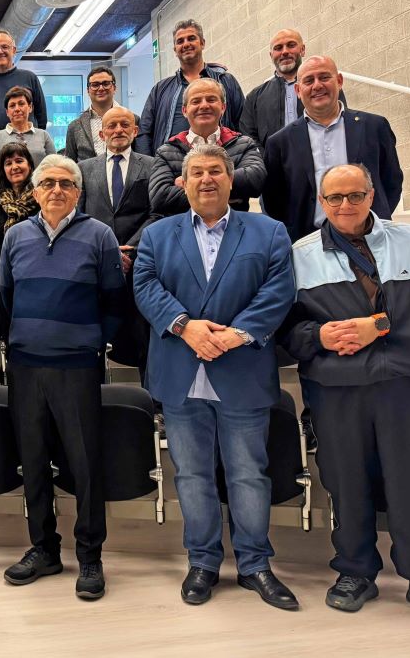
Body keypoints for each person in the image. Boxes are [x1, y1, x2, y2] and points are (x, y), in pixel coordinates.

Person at [280, 163, 410, 629]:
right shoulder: (297, 256)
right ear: (321, 203)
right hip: (336, 391)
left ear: (372, 196)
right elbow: (283, 330)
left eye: (355, 195)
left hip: (406, 387)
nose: (345, 205)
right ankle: (355, 572)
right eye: (334, 198)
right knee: (345, 485)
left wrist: (381, 327)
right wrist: (318, 336)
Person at [133, 142, 297, 611]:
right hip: (180, 372)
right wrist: (185, 326)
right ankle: (202, 562)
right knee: (192, 475)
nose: (207, 179)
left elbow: (279, 289)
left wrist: (236, 335)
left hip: (241, 367)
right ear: (182, 183)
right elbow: (144, 284)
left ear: (231, 180)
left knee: (248, 474)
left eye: (216, 171)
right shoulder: (157, 234)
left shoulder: (269, 231)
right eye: (197, 172)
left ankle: (255, 564)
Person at [0, 154, 124, 601]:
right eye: (48, 183)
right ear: (34, 192)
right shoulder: (15, 236)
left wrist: (88, 342)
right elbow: (6, 296)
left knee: (84, 463)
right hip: (25, 365)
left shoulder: (100, 235)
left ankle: (90, 555)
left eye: (66, 183)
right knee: (32, 460)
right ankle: (44, 548)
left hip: (77, 367)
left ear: (78, 192)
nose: (56, 190)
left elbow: (114, 301)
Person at [263, 55, 403, 241]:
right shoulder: (279, 143)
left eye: (324, 77)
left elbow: (392, 183)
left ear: (339, 81)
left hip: (370, 238)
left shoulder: (374, 127)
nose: (317, 85)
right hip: (310, 243)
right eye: (309, 81)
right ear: (298, 90)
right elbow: (273, 201)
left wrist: (368, 221)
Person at [77, 106, 161, 377]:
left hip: (140, 263)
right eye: (111, 126)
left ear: (135, 131)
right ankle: (95, 393)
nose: (118, 130)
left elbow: (157, 213)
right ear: (102, 134)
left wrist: (131, 249)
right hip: (97, 264)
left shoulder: (152, 166)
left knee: (144, 336)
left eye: (125, 125)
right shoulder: (84, 169)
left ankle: (152, 397)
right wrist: (107, 249)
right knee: (95, 337)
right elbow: (79, 215)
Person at [150, 78, 265, 216]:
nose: (204, 105)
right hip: (183, 228)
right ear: (185, 110)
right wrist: (225, 193)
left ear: (223, 107)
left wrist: (189, 184)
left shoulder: (244, 144)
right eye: (196, 101)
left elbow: (256, 180)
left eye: (211, 99)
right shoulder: (166, 152)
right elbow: (159, 197)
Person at [135, 19, 244, 156]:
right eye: (180, 41)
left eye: (191, 38)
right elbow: (144, 133)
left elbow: (243, 125)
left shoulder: (226, 81)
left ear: (202, 43)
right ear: (175, 50)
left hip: (220, 162)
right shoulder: (160, 90)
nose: (186, 44)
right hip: (171, 165)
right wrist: (152, 165)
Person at [239, 29, 348, 152]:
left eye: (291, 45)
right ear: (271, 55)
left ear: (302, 49)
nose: (285, 51)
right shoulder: (254, 98)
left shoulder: (325, 87)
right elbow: (248, 137)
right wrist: (269, 160)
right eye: (278, 48)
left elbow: (340, 121)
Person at [0, 28, 47, 147]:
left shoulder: (29, 78)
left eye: (5, 47)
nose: (0, 51)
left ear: (14, 50)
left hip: (27, 148)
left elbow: (41, 117)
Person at [0, 142, 38, 286]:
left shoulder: (41, 196)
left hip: (36, 268)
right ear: (3, 170)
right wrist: (8, 263)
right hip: (2, 272)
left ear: (30, 165)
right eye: (8, 163)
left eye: (19, 161)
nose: (14, 167)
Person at [0, 86, 55, 185]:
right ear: (7, 112)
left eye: (21, 104)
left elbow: (54, 165)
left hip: (39, 191)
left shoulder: (43, 135)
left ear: (30, 107)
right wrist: (5, 190)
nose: (17, 109)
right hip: (6, 193)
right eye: (12, 106)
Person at [64, 66, 124, 162]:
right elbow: (69, 164)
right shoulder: (74, 126)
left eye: (106, 84)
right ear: (88, 90)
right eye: (95, 85)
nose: (101, 88)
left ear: (114, 88)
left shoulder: (132, 120)